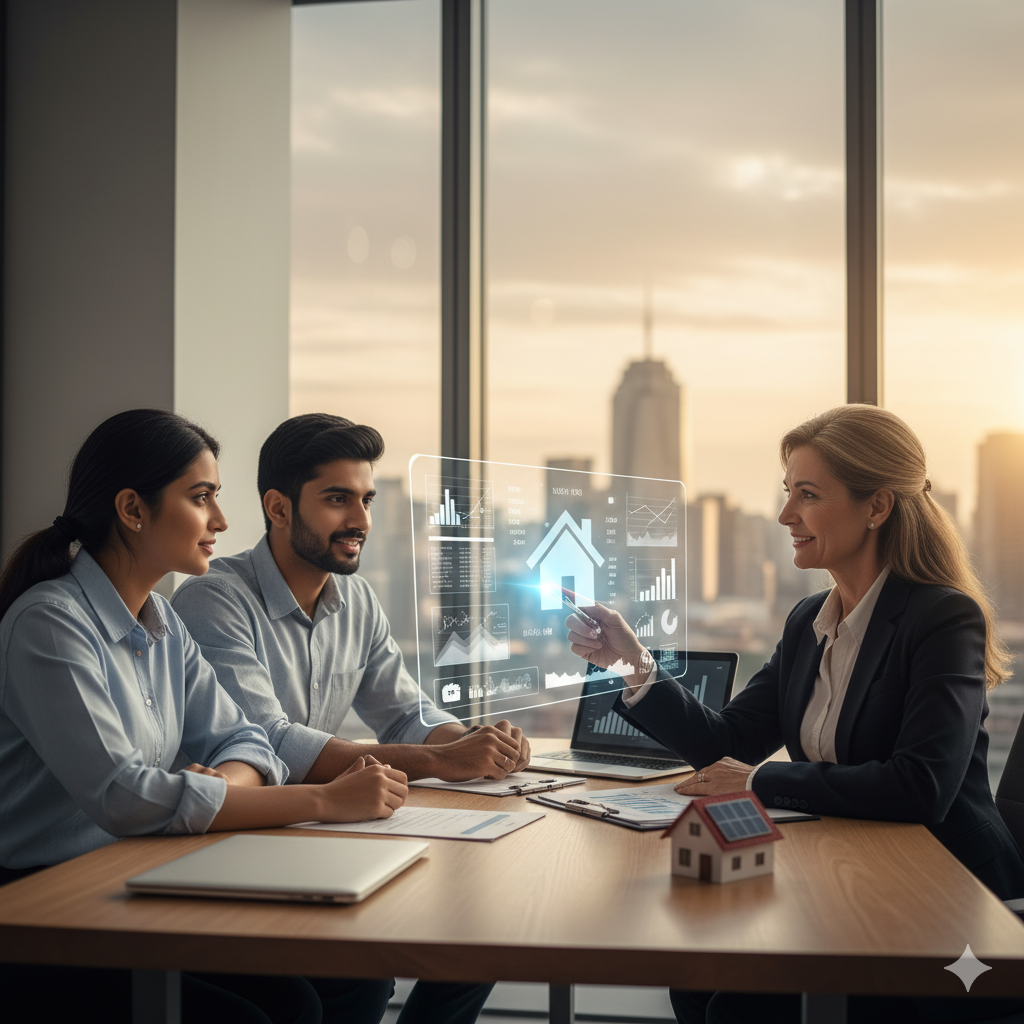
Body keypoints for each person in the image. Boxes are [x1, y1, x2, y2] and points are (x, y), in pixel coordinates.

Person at [563, 405, 1024, 1024]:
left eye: (807, 495)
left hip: (945, 898)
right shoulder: (808, 620)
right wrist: (636, 663)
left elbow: (922, 788)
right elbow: (728, 739)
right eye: (788, 493)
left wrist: (754, 782)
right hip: (847, 877)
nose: (786, 516)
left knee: (738, 1004)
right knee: (696, 976)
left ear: (877, 506)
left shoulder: (941, 618)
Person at [0, 409, 408, 1024]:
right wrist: (324, 801)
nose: (220, 520)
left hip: (139, 871)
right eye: (201, 498)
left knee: (353, 982)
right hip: (42, 900)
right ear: (133, 509)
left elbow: (249, 743)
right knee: (274, 1009)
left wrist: (218, 784)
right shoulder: (49, 623)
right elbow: (123, 796)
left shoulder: (164, 625)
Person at [172, 412, 525, 1023]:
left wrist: (475, 742)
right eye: (337, 499)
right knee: (361, 980)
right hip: (239, 842)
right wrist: (442, 761)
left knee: (487, 930)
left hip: (320, 838)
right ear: (278, 508)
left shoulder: (355, 598)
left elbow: (403, 710)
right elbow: (271, 743)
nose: (360, 520)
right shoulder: (212, 599)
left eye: (365, 499)